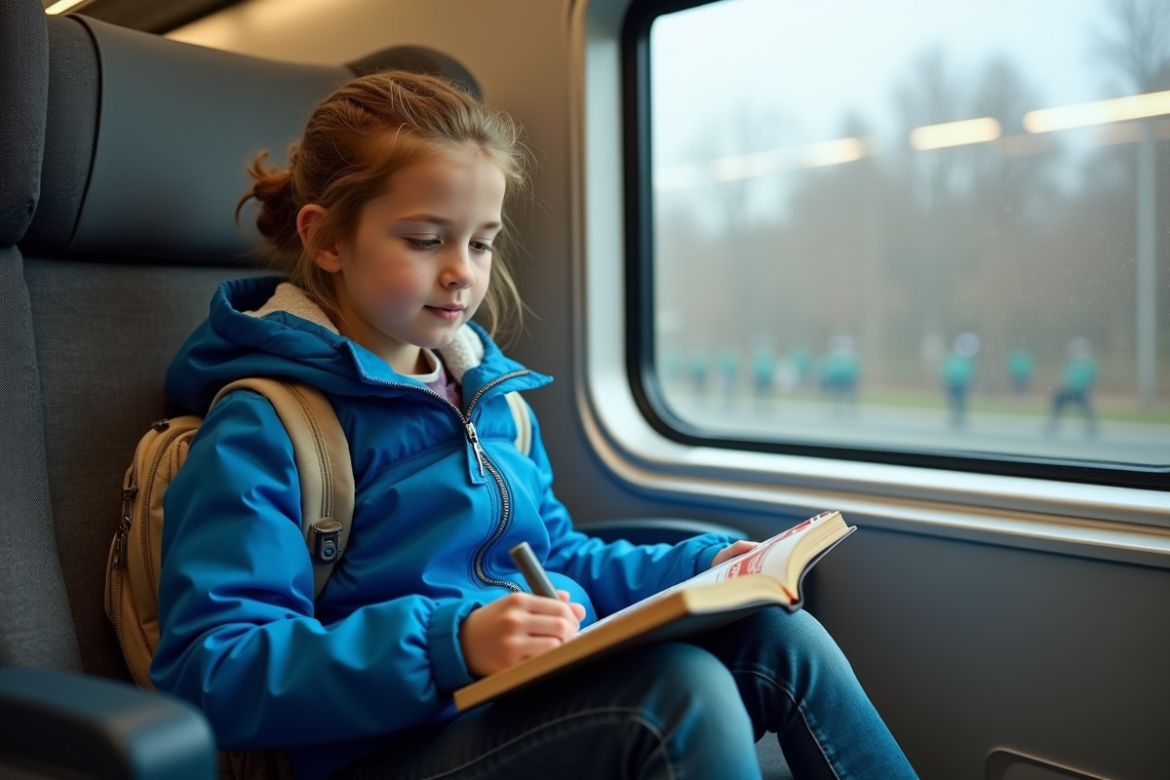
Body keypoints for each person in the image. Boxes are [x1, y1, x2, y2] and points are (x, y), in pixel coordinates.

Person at [150, 71, 918, 780]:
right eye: (425, 240)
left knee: (781, 640)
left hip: (513, 702)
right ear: (327, 239)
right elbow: (215, 665)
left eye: (481, 242)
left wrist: (704, 571)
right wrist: (451, 643)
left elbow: (555, 559)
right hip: (387, 747)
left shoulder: (491, 397)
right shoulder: (271, 426)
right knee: (676, 692)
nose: (462, 270)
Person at [1047, 337, 1098, 437]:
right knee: (1058, 400)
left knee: (1086, 406)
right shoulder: (1072, 363)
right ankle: (1054, 422)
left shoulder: (1087, 364)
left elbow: (1091, 378)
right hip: (1070, 390)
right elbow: (1066, 378)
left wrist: (1085, 387)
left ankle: (1091, 425)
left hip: (1081, 391)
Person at [941, 332, 979, 429]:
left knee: (961, 401)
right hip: (953, 383)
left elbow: (971, 372)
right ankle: (954, 417)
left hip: (962, 384)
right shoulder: (953, 358)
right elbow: (946, 370)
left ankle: (960, 418)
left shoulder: (967, 360)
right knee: (954, 401)